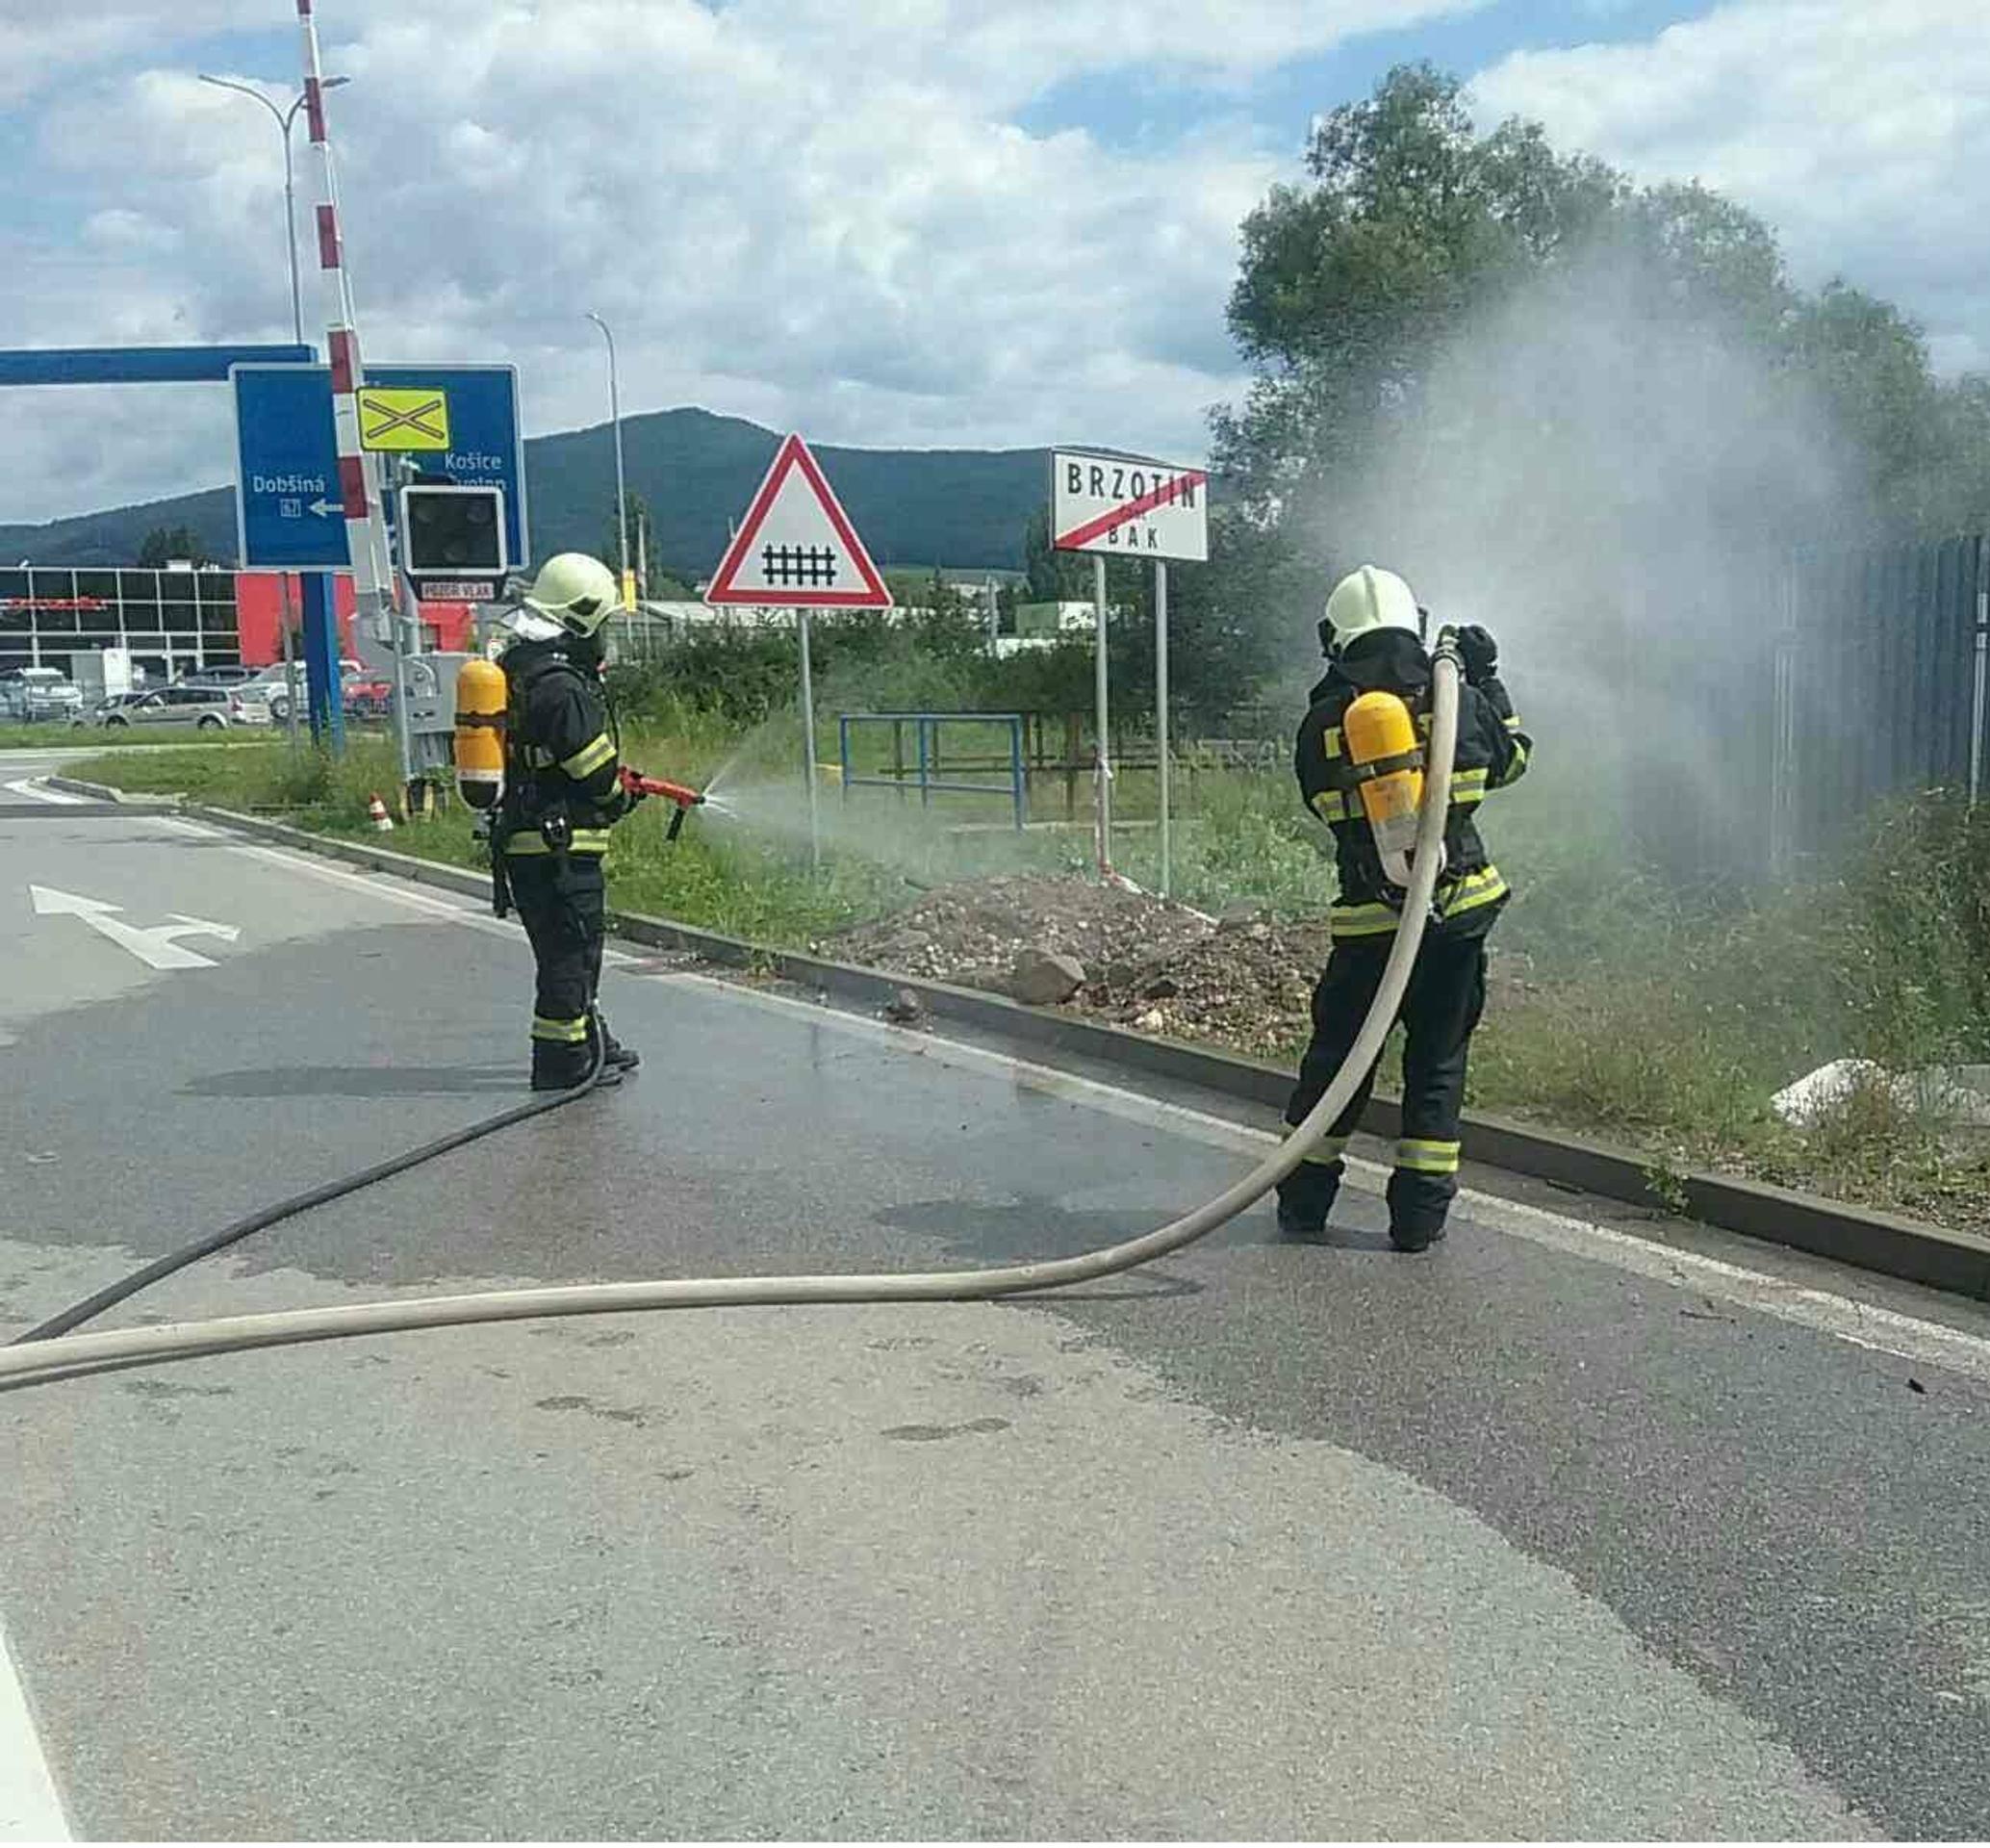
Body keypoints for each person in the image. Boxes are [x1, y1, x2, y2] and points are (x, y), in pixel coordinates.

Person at [1277, 564, 1531, 1250]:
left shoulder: (1322, 724)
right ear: (1410, 625)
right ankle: (1418, 1221)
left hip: (1369, 924)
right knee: (1437, 1065)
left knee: (1338, 1062)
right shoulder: (1457, 704)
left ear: (1337, 640)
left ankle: (1303, 1202)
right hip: (1457, 916)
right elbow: (1512, 763)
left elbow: (1321, 804)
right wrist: (1487, 680)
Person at [491, 552, 645, 1091]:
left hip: (531, 840)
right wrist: (620, 795)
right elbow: (594, 775)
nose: (604, 636)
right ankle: (562, 1065)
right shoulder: (561, 688)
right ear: (580, 619)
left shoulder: (519, 671)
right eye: (602, 623)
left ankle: (591, 1041)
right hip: (559, 848)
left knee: (573, 950)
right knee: (570, 954)